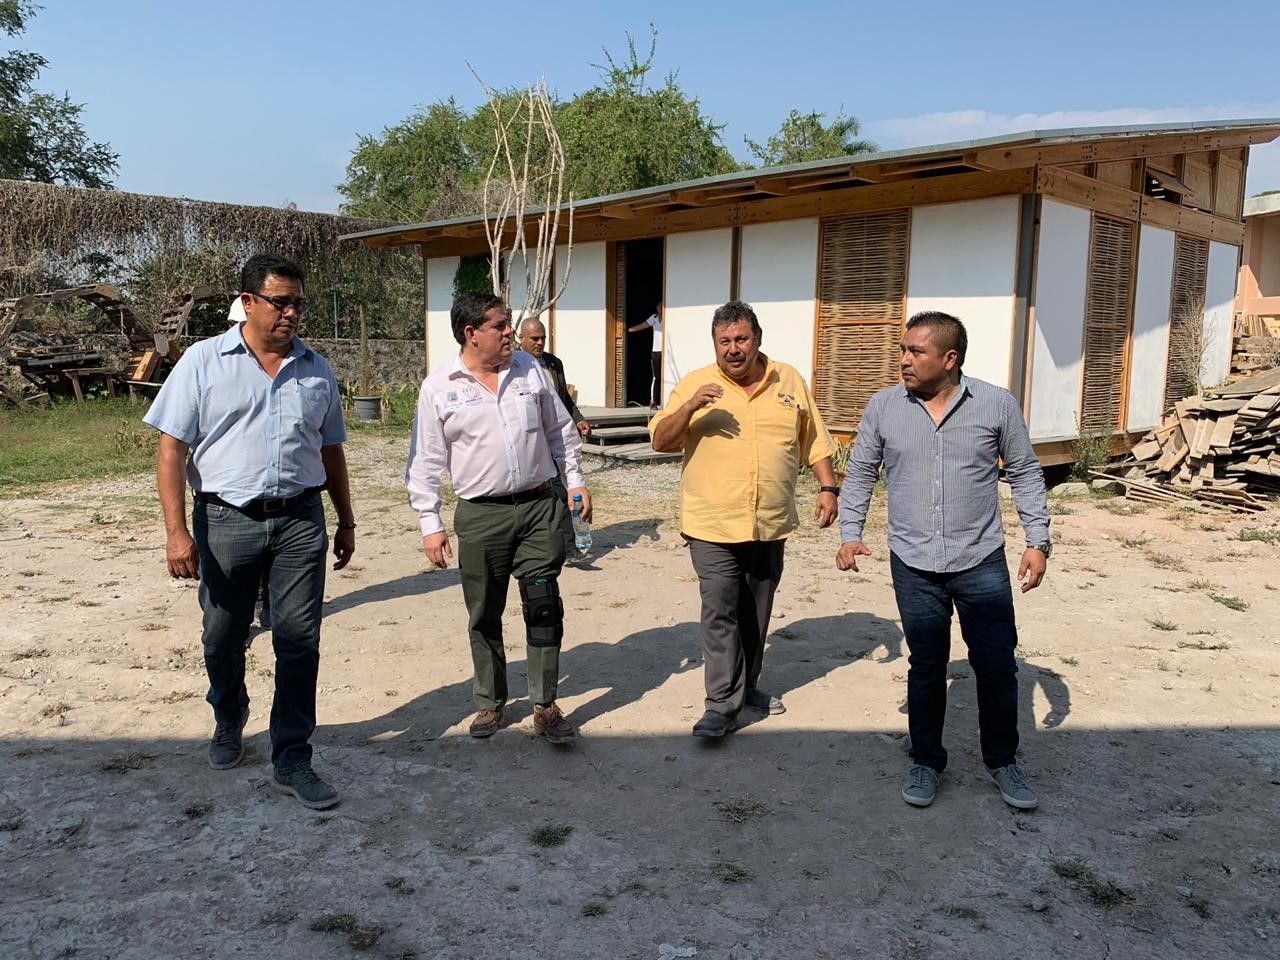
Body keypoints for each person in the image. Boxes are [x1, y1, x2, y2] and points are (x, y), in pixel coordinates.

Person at [145, 253, 355, 811]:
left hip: (300, 520)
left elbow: (331, 450)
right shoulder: (203, 362)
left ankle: (292, 755)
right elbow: (171, 449)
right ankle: (228, 714)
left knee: (299, 639)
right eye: (280, 302)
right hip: (225, 519)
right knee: (222, 633)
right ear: (248, 302)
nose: (291, 313)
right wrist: (175, 532)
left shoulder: (316, 369)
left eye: (298, 303)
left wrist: (346, 519)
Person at [836, 311, 1051, 811]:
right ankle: (926, 760)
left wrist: (1037, 541)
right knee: (927, 665)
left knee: (996, 665)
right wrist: (850, 533)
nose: (904, 360)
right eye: (903, 350)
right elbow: (862, 470)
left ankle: (1003, 761)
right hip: (913, 563)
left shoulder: (995, 404)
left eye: (916, 351)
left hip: (980, 560)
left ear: (950, 359)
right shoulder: (885, 406)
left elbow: (1024, 471)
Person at [406, 292, 590, 743]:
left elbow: (559, 431)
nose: (511, 332)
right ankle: (490, 701)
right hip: (481, 516)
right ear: (471, 333)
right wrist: (430, 523)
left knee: (543, 605)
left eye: (509, 324)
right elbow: (425, 461)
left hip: (538, 508)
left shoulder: (530, 371)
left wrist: (575, 481)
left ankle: (545, 704)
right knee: (484, 611)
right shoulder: (439, 387)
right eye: (500, 325)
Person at [650, 300, 839, 739]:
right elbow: (660, 439)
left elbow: (814, 439)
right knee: (720, 610)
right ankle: (721, 705)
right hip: (711, 523)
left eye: (741, 339)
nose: (733, 349)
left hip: (769, 521)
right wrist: (690, 407)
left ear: (757, 339)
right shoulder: (695, 384)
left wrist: (828, 488)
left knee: (755, 612)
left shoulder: (788, 380)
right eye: (724, 341)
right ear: (714, 344)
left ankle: (746, 687)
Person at [518, 316, 592, 558]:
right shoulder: (513, 365)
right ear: (521, 338)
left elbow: (564, 400)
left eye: (543, 338)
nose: (540, 343)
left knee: (564, 488)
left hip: (555, 437)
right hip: (530, 441)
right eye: (534, 338)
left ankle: (570, 546)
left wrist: (578, 419)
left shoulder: (553, 363)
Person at [628, 300, 664, 408]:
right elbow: (644, 325)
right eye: (659, 306)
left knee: (666, 376)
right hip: (656, 351)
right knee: (656, 377)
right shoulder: (654, 318)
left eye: (662, 306)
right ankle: (653, 401)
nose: (660, 308)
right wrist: (630, 329)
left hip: (665, 351)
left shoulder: (668, 317)